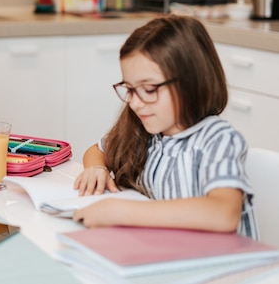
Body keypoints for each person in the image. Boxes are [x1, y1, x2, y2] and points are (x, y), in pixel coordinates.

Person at [72, 14, 258, 239]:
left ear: (191, 82)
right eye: (129, 89)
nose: (134, 102)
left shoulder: (217, 140)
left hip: (225, 267)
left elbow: (224, 213)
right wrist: (96, 169)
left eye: (149, 89)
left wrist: (123, 212)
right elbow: (96, 151)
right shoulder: (143, 129)